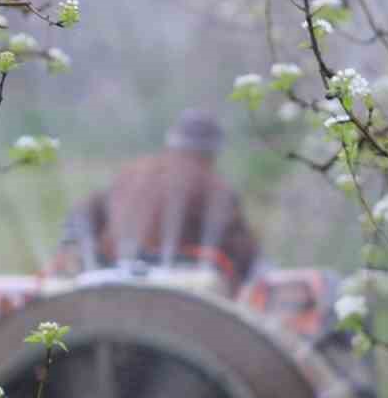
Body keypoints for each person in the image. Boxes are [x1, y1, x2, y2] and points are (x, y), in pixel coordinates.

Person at [49, 108, 261, 291]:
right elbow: (243, 251)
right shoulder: (215, 187)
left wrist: (73, 251)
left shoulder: (132, 172)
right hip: (182, 285)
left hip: (113, 270)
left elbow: (82, 215)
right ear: (213, 152)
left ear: (172, 142)